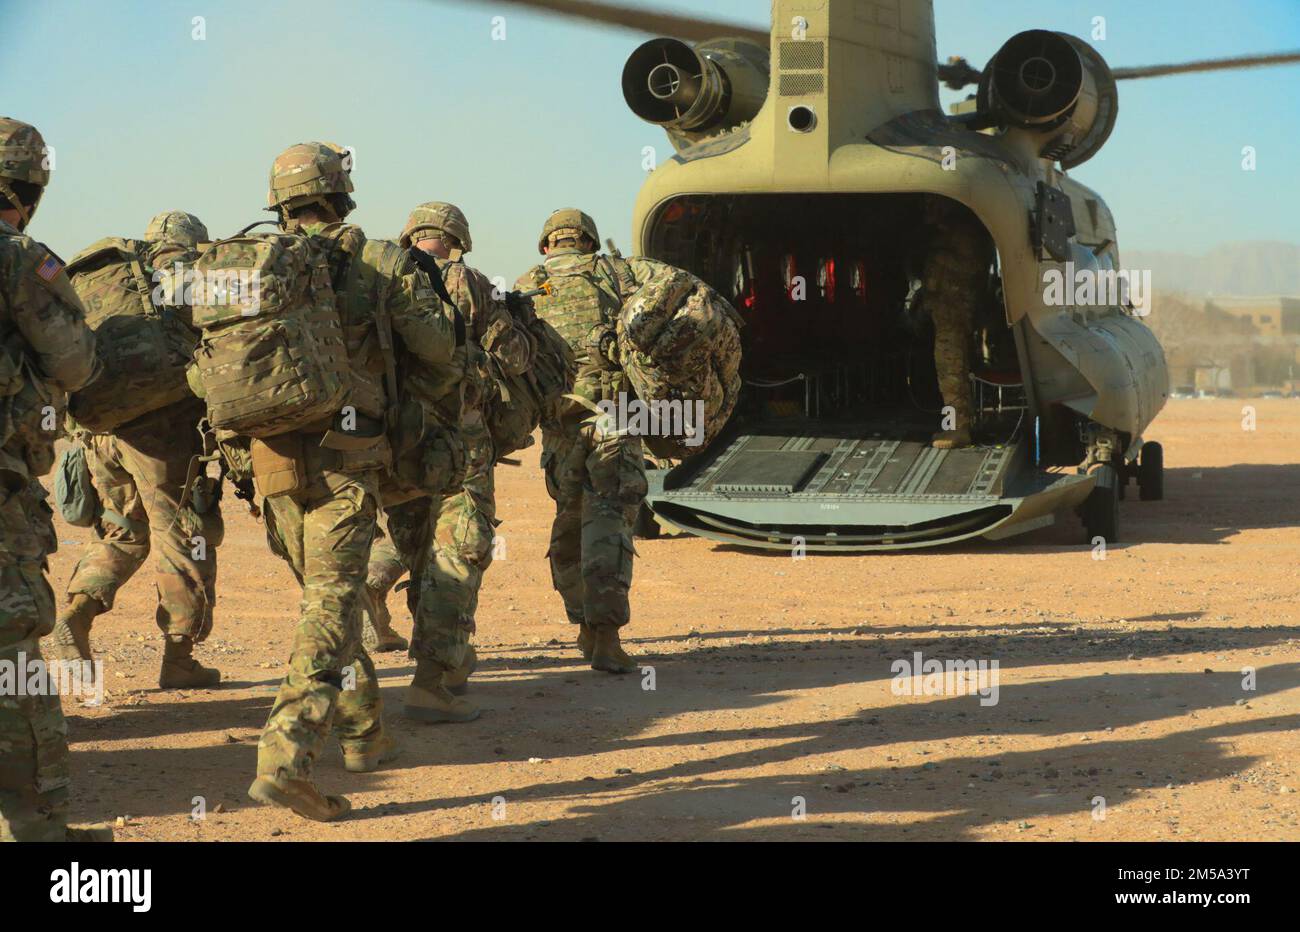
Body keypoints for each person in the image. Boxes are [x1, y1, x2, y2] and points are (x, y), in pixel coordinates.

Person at [245, 143, 461, 821]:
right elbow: (439, 350)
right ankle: (286, 759)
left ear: (280, 202)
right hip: (347, 452)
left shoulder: (251, 265)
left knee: (325, 598)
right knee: (332, 608)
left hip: (269, 456)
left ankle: (363, 735)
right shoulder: (381, 262)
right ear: (342, 195)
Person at [365, 202, 531, 721]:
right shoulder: (465, 280)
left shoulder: (372, 274)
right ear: (456, 240)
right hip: (457, 444)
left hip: (391, 442)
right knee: (457, 551)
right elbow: (516, 358)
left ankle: (437, 649)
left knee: (416, 548)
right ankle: (432, 681)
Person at [52, 211, 223, 689]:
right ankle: (180, 658)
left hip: (99, 430)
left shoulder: (107, 271)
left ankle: (79, 613)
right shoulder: (182, 271)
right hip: (160, 430)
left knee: (120, 532)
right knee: (184, 537)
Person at [0, 116, 110, 841]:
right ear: (33, 186)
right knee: (12, 657)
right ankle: (40, 836)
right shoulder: (19, 259)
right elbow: (73, 361)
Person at [515, 209, 645, 674]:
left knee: (568, 524)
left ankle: (584, 624)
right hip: (616, 420)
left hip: (559, 429)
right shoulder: (617, 275)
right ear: (588, 242)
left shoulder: (527, 283)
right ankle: (606, 636)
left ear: (547, 244)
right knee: (608, 526)